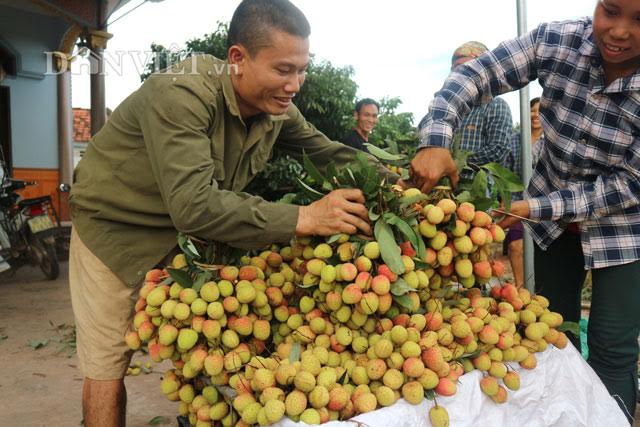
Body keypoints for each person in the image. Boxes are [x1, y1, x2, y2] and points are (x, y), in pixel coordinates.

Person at [69, 1, 393, 425]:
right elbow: (195, 205)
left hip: (188, 240)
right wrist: (304, 218)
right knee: (109, 361)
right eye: (283, 69)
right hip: (114, 234)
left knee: (212, 347)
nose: (295, 84)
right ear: (238, 59)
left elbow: (327, 153)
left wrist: (393, 178)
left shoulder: (276, 108)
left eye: (301, 69)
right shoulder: (181, 94)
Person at [413, 0, 640, 422]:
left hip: (624, 228)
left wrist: (531, 207)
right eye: (610, 10)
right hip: (550, 223)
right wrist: (437, 135)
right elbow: (478, 73)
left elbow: (629, 185)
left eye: (639, 20)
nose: (619, 31)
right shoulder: (558, 40)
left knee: (612, 348)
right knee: (553, 340)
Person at [419, 41, 513, 180]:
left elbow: (498, 150)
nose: (460, 75)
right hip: (439, 187)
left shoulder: (495, 106)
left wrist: (455, 163)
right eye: (456, 69)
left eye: (466, 69)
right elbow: (422, 139)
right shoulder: (442, 108)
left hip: (474, 189)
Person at [502, 97, 543, 288]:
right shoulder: (514, 140)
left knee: (541, 249)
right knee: (515, 245)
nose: (535, 115)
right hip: (519, 202)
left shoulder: (552, 140)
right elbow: (504, 173)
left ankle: (540, 288)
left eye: (539, 110)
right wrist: (505, 201)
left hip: (545, 204)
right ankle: (520, 287)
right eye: (532, 110)